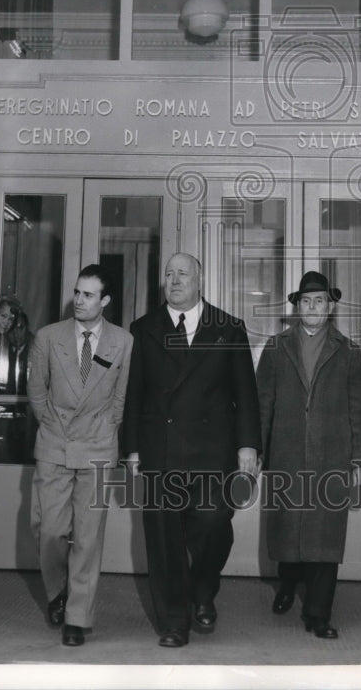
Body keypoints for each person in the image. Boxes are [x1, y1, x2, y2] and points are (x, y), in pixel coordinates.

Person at [122, 252, 261, 648]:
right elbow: (135, 394)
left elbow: (244, 392)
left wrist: (248, 444)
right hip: (160, 448)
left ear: (200, 280)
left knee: (214, 523)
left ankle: (204, 587)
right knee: (164, 540)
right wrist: (131, 448)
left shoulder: (228, 327)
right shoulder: (144, 328)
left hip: (213, 449)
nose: (174, 280)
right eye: (168, 273)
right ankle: (173, 622)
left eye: (182, 273)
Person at [256, 270, 361, 639]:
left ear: (331, 306)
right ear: (296, 307)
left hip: (331, 458)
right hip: (287, 454)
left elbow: (359, 411)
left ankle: (318, 614)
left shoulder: (349, 351)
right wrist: (256, 451)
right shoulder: (275, 348)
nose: (312, 306)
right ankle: (287, 584)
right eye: (305, 301)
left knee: (325, 538)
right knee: (288, 534)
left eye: (319, 300)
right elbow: (263, 405)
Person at [27, 264, 133, 647]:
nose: (80, 300)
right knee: (50, 531)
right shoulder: (47, 337)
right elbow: (37, 393)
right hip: (55, 444)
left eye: (89, 295)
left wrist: (105, 429)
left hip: (98, 448)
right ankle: (57, 593)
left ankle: (78, 616)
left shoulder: (123, 341)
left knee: (89, 538)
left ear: (105, 300)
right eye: (77, 292)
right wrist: (54, 426)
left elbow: (120, 399)